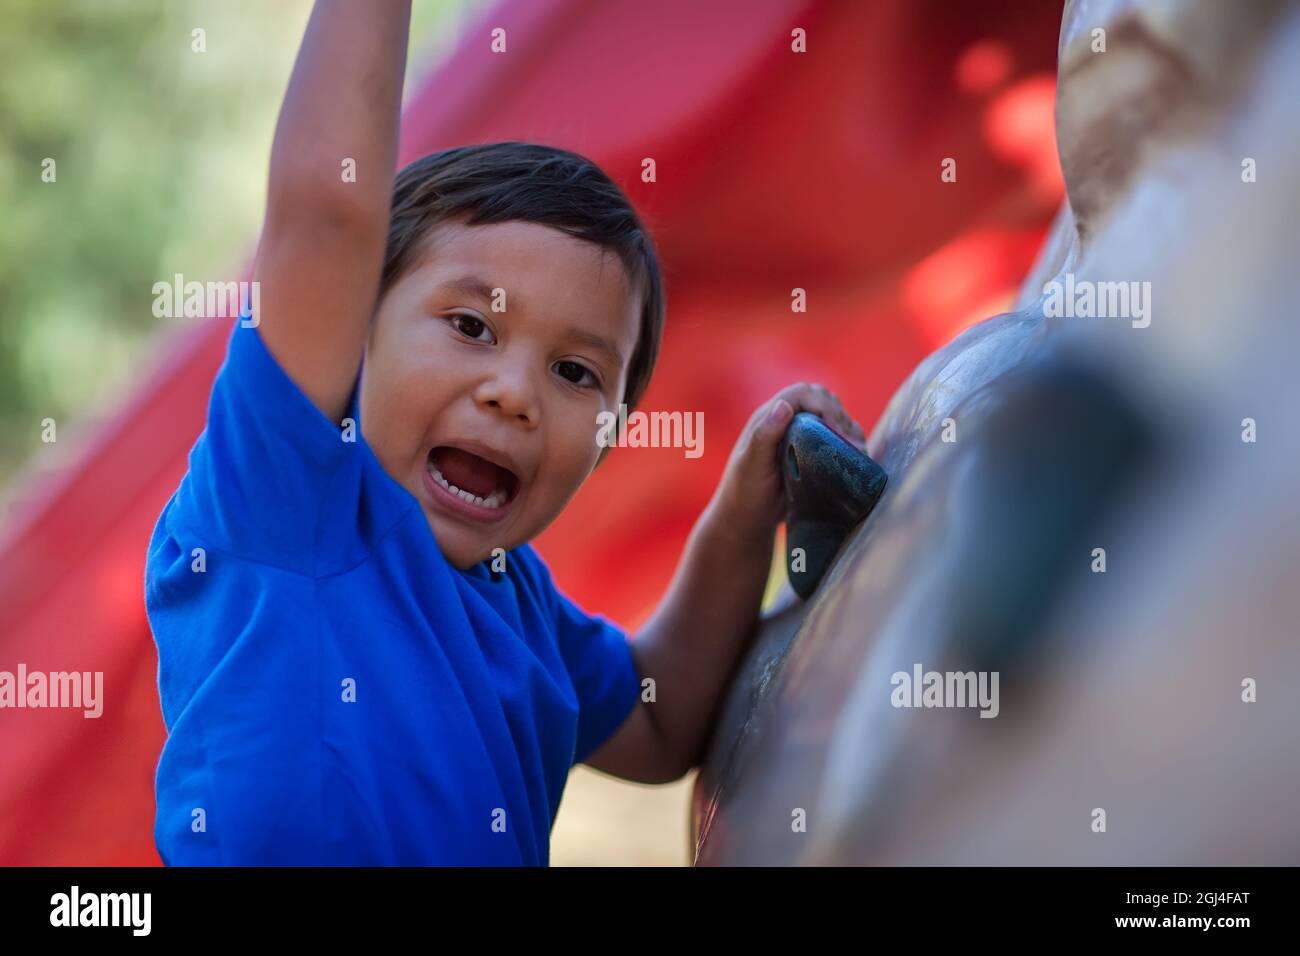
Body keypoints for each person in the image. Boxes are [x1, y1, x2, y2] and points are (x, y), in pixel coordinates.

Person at [145, 0, 865, 865]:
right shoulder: (287, 495)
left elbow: (661, 719)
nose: (515, 394)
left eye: (575, 373)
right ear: (356, 330)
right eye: (472, 327)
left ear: (606, 439)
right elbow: (324, 213)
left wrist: (745, 518)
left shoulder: (517, 604)